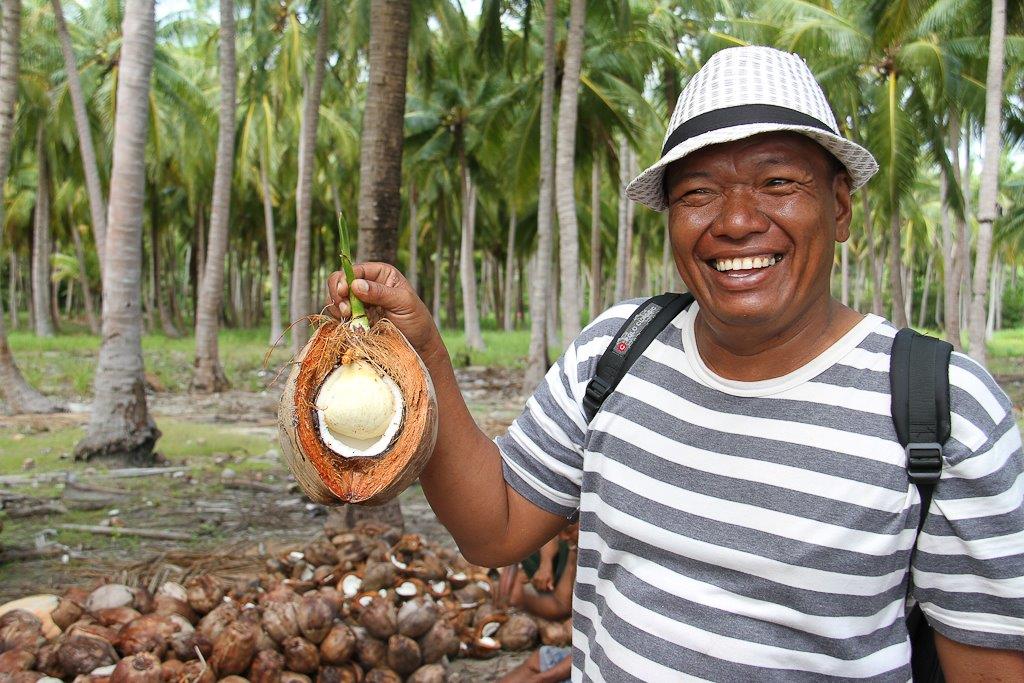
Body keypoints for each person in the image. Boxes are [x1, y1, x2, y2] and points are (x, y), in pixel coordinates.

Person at [327, 46, 1024, 681]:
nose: (736, 220)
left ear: (839, 206)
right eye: (697, 193)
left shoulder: (943, 410)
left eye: (778, 181)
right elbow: (494, 526)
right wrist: (426, 357)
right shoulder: (617, 351)